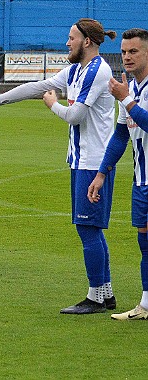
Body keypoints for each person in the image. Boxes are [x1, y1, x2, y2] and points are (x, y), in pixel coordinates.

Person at [0, 18, 116, 313]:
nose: (66, 42)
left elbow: (74, 116)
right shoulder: (77, 69)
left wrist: (52, 105)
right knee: (91, 228)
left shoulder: (97, 71)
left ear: (87, 41)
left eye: (71, 37)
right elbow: (37, 86)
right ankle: (105, 292)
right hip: (82, 160)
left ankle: (96, 297)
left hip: (93, 161)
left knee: (88, 229)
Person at [88, 28, 148, 320]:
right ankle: (146, 305)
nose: (126, 57)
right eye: (124, 52)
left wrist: (125, 100)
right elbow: (121, 136)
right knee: (145, 242)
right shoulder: (131, 88)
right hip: (142, 179)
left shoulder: (134, 92)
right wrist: (101, 173)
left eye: (133, 51)